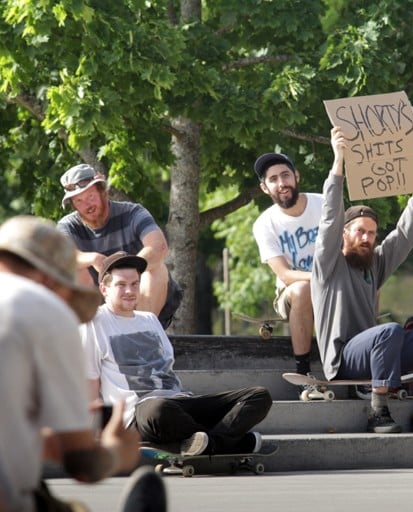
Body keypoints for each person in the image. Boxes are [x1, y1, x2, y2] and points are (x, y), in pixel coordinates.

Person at [0, 215, 164, 512]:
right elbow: (84, 465)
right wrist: (118, 453)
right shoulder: (42, 307)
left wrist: (40, 440)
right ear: (50, 279)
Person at [311, 127, 413, 434]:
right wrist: (338, 160)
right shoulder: (328, 263)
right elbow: (330, 216)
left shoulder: (375, 264)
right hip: (345, 358)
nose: (367, 238)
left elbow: (405, 235)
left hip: (382, 347)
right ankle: (378, 411)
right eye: (359, 231)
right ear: (344, 233)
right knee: (389, 331)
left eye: (371, 233)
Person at [81, 251, 273, 456]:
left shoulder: (149, 320)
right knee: (158, 410)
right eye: (121, 285)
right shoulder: (94, 323)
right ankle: (229, 442)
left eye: (135, 284)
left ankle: (207, 443)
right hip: (140, 414)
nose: (130, 290)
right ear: (104, 289)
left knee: (259, 396)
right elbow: (90, 383)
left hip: (179, 403)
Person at [57, 163, 182, 329]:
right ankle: (87, 338)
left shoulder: (133, 213)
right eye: (79, 201)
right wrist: (93, 258)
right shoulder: (68, 225)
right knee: (73, 269)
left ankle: (139, 334)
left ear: (103, 192)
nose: (87, 205)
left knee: (157, 270)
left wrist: (124, 269)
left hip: (143, 303)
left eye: (90, 197)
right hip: (100, 308)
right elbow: (61, 256)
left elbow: (158, 246)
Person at [252, 152, 321, 387]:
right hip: (291, 294)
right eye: (273, 179)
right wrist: (320, 279)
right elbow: (284, 274)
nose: (281, 184)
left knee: (367, 272)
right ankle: (303, 371)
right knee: (302, 288)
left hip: (333, 288)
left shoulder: (324, 204)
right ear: (264, 188)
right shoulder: (264, 224)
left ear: (296, 176)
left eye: (285, 175)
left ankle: (366, 367)